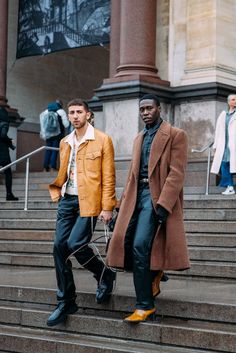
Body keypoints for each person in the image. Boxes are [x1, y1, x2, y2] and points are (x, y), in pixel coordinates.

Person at [106, 94, 190, 323]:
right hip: (136, 196)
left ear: (159, 109)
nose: (145, 112)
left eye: (149, 108)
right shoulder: (139, 138)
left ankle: (145, 306)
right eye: (142, 109)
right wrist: (120, 209)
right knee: (124, 242)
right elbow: (133, 176)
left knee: (140, 245)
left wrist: (163, 204)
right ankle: (154, 275)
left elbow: (177, 173)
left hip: (156, 197)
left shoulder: (175, 135)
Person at [47, 98, 116, 327]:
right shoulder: (65, 141)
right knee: (59, 246)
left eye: (79, 112)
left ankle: (104, 274)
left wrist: (108, 207)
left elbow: (108, 176)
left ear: (88, 114)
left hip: (89, 201)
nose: (75, 116)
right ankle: (66, 300)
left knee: (76, 243)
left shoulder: (102, 140)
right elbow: (65, 171)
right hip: (67, 200)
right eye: (71, 112)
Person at [211, 94, 236, 195]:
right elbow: (218, 131)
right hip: (224, 146)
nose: (235, 101)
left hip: (233, 145)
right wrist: (215, 145)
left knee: (232, 165)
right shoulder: (223, 114)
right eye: (233, 100)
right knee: (224, 165)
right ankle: (230, 186)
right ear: (229, 102)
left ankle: (230, 186)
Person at [40, 100, 69, 171]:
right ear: (61, 105)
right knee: (55, 150)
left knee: (48, 150)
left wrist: (43, 134)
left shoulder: (45, 111)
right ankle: (53, 167)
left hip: (48, 135)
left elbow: (43, 124)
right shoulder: (61, 111)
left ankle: (45, 167)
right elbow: (66, 124)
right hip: (57, 135)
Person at [0, 107, 19, 201]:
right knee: (8, 173)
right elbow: (3, 135)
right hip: (2, 153)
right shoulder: (4, 123)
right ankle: (9, 194)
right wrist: (10, 140)